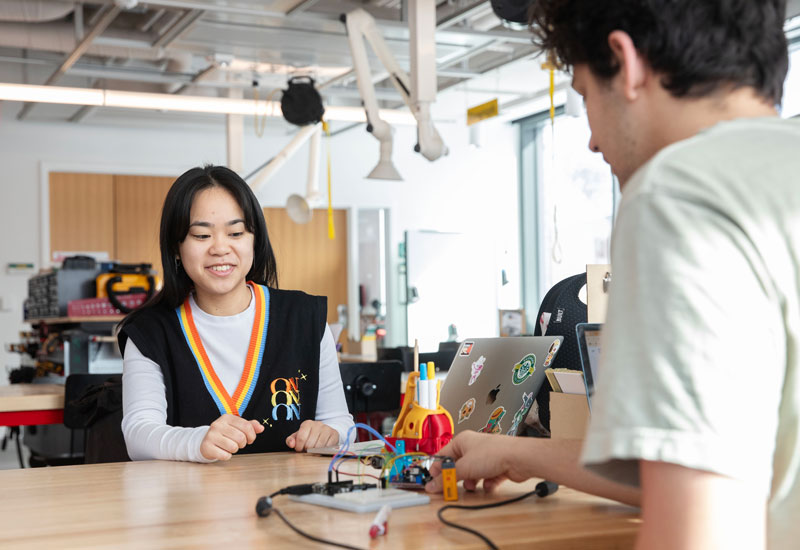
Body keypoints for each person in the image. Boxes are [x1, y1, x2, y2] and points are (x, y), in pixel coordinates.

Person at [426, 1, 800, 548]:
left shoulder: (681, 190)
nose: (593, 141)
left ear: (625, 63)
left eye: (583, 95)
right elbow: (730, 466)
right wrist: (516, 451)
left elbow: (700, 528)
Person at [118, 165, 354, 462]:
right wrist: (195, 441)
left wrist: (329, 434)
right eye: (202, 235)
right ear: (176, 248)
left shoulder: (304, 318)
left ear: (254, 239)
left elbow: (342, 423)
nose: (220, 248)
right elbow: (139, 435)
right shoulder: (150, 331)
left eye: (236, 232)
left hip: (289, 501)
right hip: (190, 503)